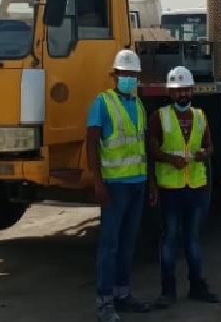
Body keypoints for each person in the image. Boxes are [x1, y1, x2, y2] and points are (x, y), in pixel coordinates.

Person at [87, 49, 154, 322]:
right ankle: (104, 302)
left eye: (133, 75)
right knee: (110, 245)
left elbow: (143, 146)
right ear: (115, 76)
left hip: (137, 183)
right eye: (125, 74)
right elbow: (91, 143)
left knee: (128, 244)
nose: (129, 79)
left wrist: (151, 182)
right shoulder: (102, 102)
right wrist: (98, 182)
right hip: (114, 186)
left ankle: (123, 294)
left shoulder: (138, 104)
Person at [146, 65, 220, 308]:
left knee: (193, 239)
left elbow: (210, 146)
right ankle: (167, 292)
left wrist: (204, 154)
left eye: (186, 89)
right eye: (178, 90)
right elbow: (151, 150)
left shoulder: (200, 116)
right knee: (169, 239)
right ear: (170, 92)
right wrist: (169, 160)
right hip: (170, 188)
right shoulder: (159, 117)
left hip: (196, 187)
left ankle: (197, 286)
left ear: (192, 91)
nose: (182, 94)